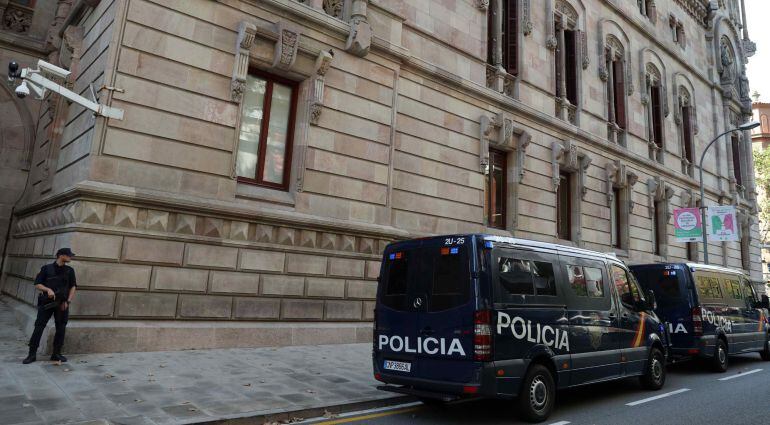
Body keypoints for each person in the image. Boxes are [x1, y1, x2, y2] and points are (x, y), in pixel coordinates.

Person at [23, 248, 77, 364]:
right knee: (39, 326)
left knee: (61, 328)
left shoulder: (70, 270)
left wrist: (68, 301)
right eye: (68, 255)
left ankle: (56, 354)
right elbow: (37, 284)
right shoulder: (46, 269)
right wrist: (48, 290)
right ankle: (32, 354)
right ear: (61, 255)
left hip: (62, 303)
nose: (70, 257)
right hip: (47, 303)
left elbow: (73, 286)